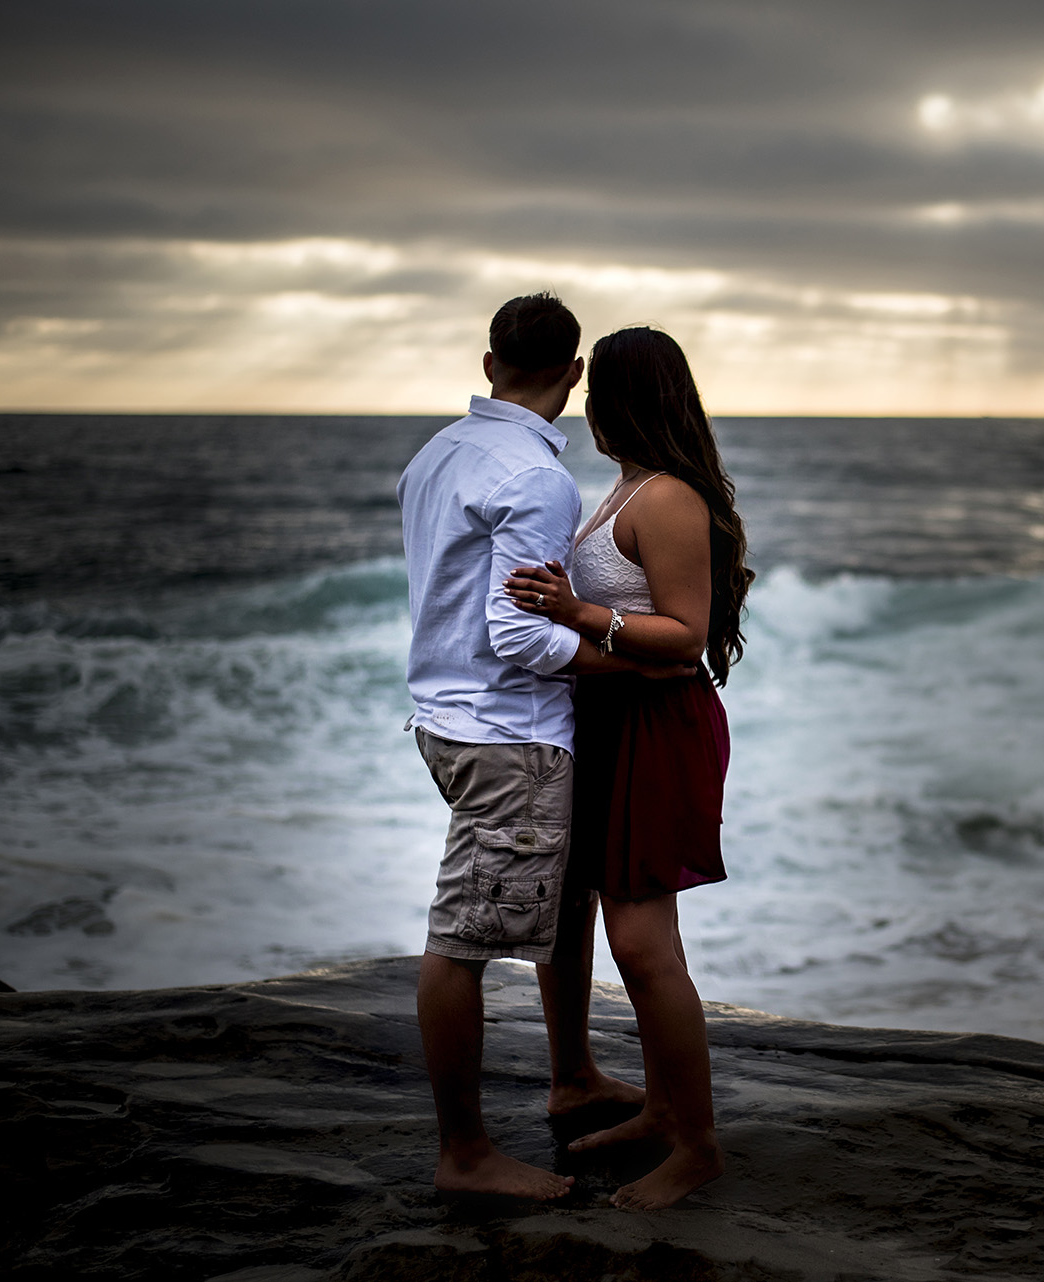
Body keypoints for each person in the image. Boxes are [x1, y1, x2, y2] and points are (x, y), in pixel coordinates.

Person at [398, 294, 683, 1200]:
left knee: (560, 904)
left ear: (489, 366)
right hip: (509, 734)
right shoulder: (536, 478)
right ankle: (465, 1154)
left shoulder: (435, 455)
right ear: (572, 377)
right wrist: (632, 662)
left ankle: (572, 1078)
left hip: (447, 719)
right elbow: (520, 637)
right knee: (462, 942)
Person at [502, 325, 751, 1211]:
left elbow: (684, 637)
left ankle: (697, 1143)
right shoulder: (624, 489)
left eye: (598, 388)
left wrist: (573, 610)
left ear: (626, 398)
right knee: (593, 922)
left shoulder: (670, 498)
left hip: (657, 727)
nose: (586, 404)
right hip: (606, 724)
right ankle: (656, 1110)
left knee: (644, 949)